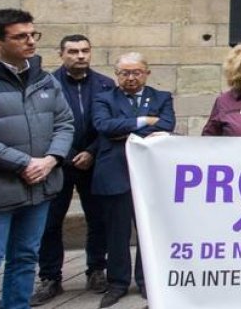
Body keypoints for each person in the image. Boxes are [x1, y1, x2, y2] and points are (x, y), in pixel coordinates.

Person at [0, 9, 75, 309]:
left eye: (34, 35)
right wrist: (23, 162)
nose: (31, 42)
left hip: (40, 186)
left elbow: (65, 122)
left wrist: (51, 160)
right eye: (21, 36)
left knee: (25, 258)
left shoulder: (43, 78)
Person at [32, 35, 114, 304]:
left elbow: (110, 123)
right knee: (50, 221)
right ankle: (50, 276)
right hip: (58, 163)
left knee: (98, 219)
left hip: (95, 162)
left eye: (85, 51)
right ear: (61, 54)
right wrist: (65, 154)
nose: (80, 56)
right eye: (73, 51)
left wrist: (91, 151)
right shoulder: (46, 83)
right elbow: (43, 125)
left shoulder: (105, 84)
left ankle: (96, 269)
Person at [91, 53, 175, 307]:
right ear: (116, 75)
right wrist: (145, 122)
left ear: (147, 72)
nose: (130, 77)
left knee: (148, 231)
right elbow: (104, 126)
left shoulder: (161, 97)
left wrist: (124, 129)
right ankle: (117, 282)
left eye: (136, 72)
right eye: (124, 73)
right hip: (115, 171)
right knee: (117, 232)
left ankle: (146, 280)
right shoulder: (103, 98)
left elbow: (168, 124)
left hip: (150, 174)